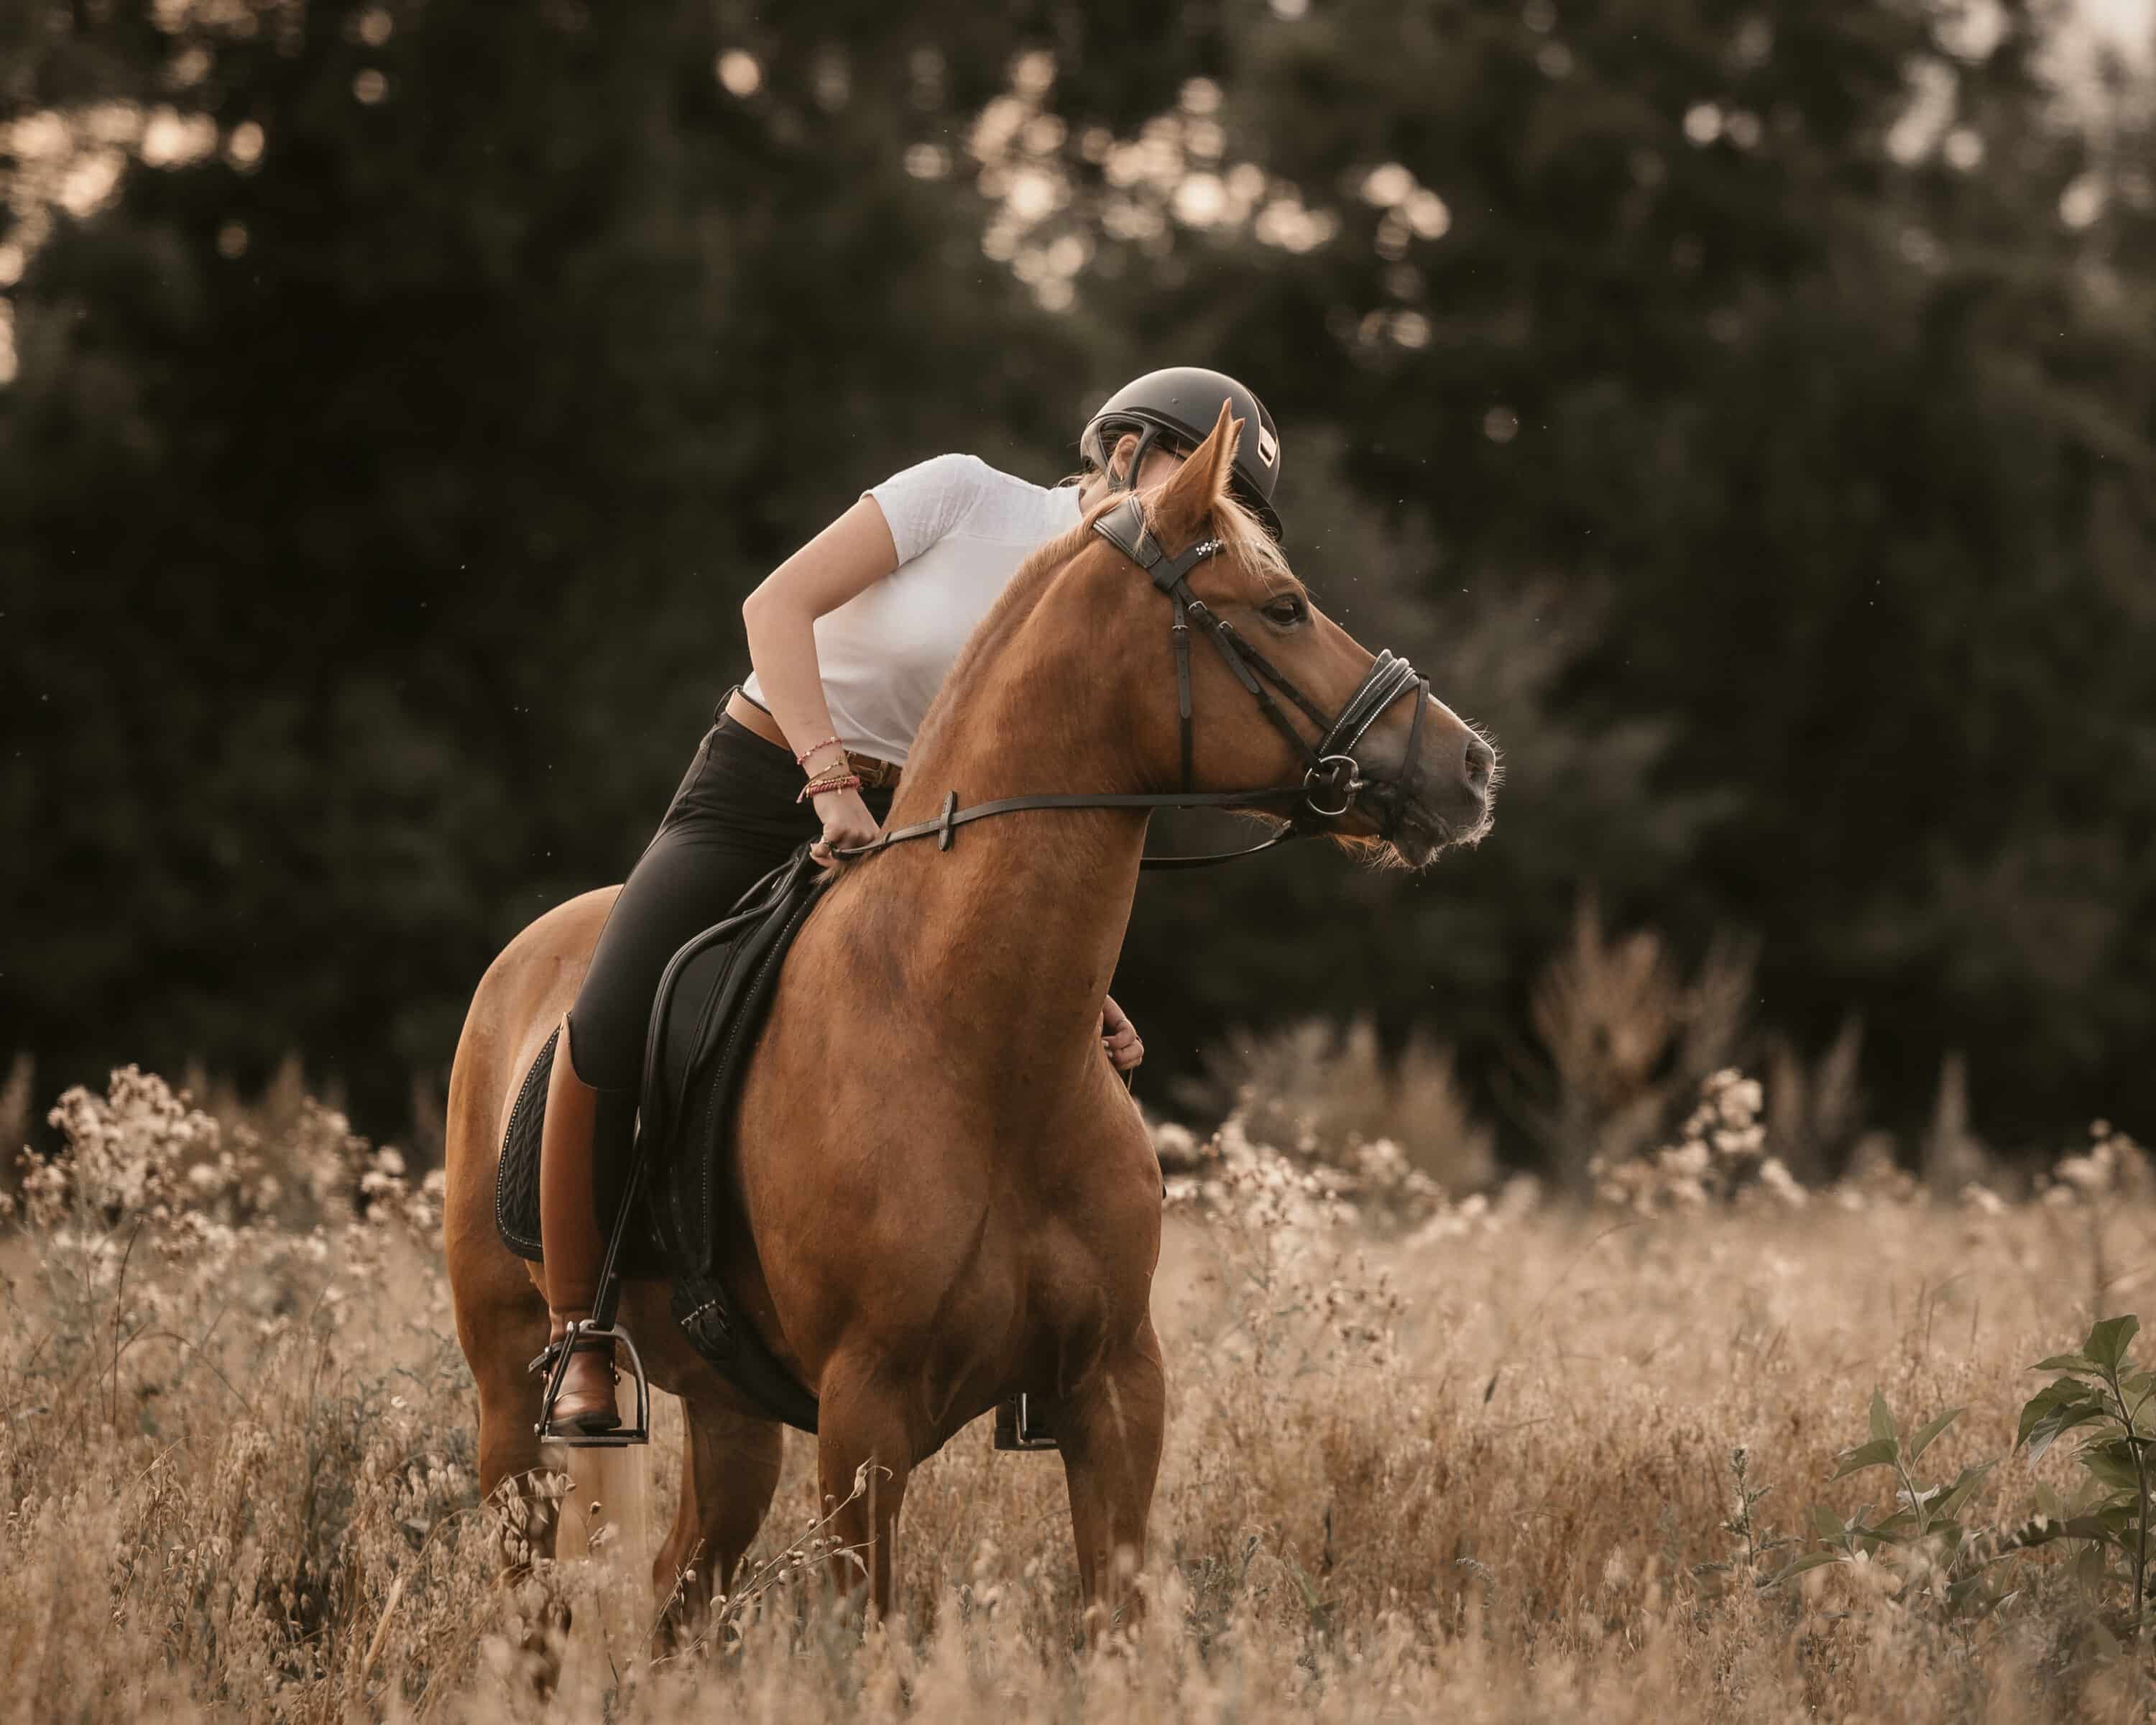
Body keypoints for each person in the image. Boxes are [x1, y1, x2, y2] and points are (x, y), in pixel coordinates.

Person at [536, 367, 1289, 1436]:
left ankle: (1041, 1334)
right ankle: (581, 1335)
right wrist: (828, 781)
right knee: (610, 1017)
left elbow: (1038, 847)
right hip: (765, 783)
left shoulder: (1110, 626)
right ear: (1122, 453)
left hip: (929, 835)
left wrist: (1087, 989)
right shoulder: (962, 495)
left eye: (1239, 515)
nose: (1211, 517)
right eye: (1200, 479)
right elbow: (774, 606)